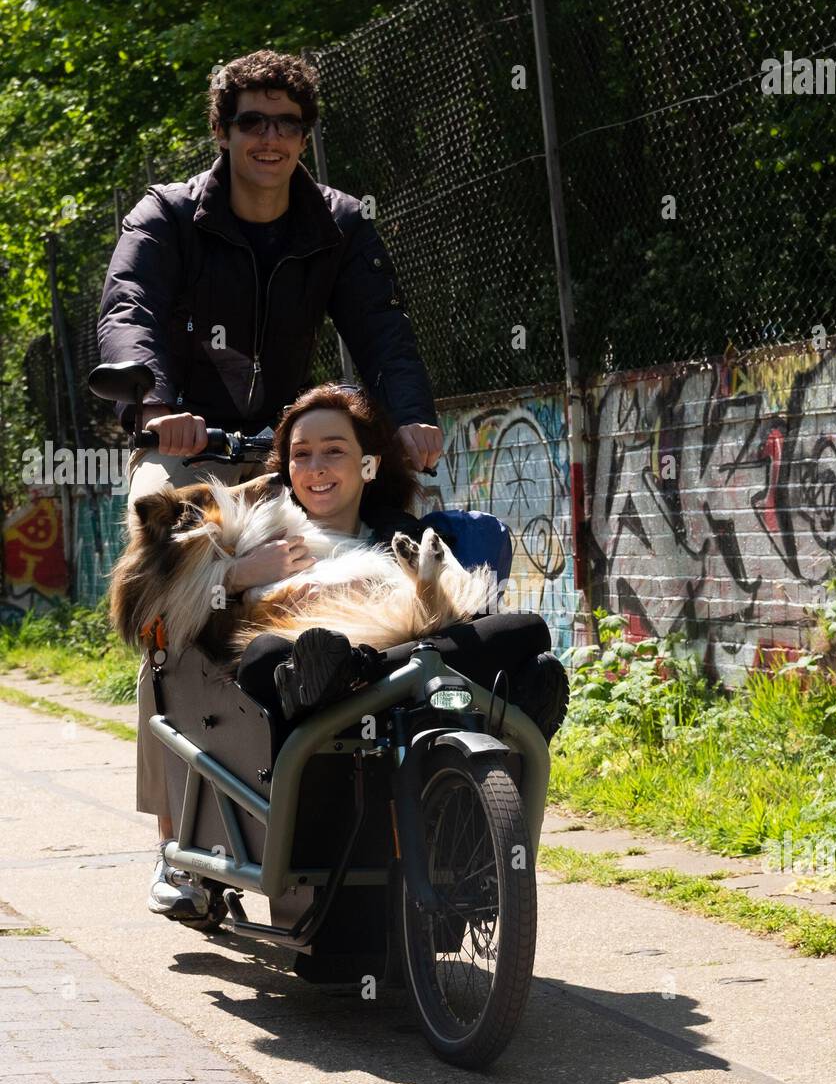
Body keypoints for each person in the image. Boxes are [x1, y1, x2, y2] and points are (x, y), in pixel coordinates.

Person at [96, 49, 444, 911]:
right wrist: (154, 405)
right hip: (188, 442)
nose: (271, 138)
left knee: (383, 538)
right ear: (222, 130)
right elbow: (128, 309)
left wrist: (407, 419)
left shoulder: (338, 223)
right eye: (253, 120)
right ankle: (177, 843)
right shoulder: (168, 216)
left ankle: (382, 761)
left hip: (287, 442)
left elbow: (383, 331)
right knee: (174, 588)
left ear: (304, 136)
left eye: (288, 123)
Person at [152, 384, 569, 921]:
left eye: (334, 450)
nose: (316, 467)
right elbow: (174, 622)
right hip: (301, 697)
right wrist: (240, 576)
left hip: (398, 680)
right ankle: (341, 669)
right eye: (301, 454)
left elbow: (467, 614)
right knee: (271, 654)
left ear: (369, 465)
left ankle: (365, 671)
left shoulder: (403, 534)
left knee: (529, 638)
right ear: (288, 470)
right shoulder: (256, 537)